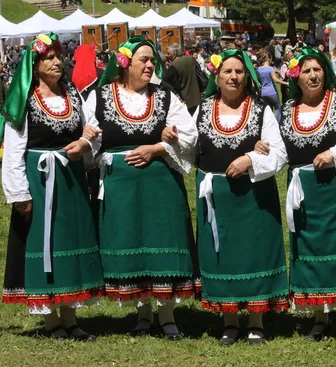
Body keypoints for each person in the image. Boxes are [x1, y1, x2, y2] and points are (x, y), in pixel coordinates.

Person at [257, 47, 336, 343]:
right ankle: (319, 315)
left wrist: (334, 153)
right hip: (305, 194)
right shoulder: (288, 109)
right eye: (306, 71)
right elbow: (278, 146)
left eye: (317, 70)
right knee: (311, 251)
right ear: (296, 78)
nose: (313, 75)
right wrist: (262, 147)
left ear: (325, 73)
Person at [171, 49, 289, 346]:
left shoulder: (261, 109)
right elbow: (189, 147)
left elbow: (279, 151)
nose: (233, 77)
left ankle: (257, 321)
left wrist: (250, 158)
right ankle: (229, 321)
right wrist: (170, 139)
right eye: (227, 72)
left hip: (253, 197)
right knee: (220, 254)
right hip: (216, 197)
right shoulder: (202, 108)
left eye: (238, 72)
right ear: (217, 76)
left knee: (253, 251)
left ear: (247, 76)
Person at [88, 36, 199, 340]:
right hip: (121, 188)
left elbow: (190, 136)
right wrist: (87, 139)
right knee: (132, 241)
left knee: (162, 240)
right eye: (144, 60)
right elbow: (88, 144)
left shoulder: (165, 97)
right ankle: (142, 313)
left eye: (153, 60)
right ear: (125, 64)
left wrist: (160, 147)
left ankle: (166, 315)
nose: (151, 65)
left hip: (160, 186)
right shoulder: (99, 97)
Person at [1, 33, 104, 340]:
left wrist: (84, 141)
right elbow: (14, 149)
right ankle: (50, 321)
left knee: (70, 240)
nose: (58, 62)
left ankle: (70, 318)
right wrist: (20, 193)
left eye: (59, 57)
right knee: (43, 243)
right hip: (39, 179)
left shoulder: (73, 92)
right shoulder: (26, 97)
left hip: (70, 179)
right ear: (35, 63)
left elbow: (94, 130)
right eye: (50, 58)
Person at [257, 53, 288, 122]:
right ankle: (276, 123)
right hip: (272, 92)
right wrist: (286, 83)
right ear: (269, 59)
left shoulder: (258, 69)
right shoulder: (270, 69)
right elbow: (275, 79)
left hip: (263, 93)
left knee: (268, 110)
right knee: (278, 108)